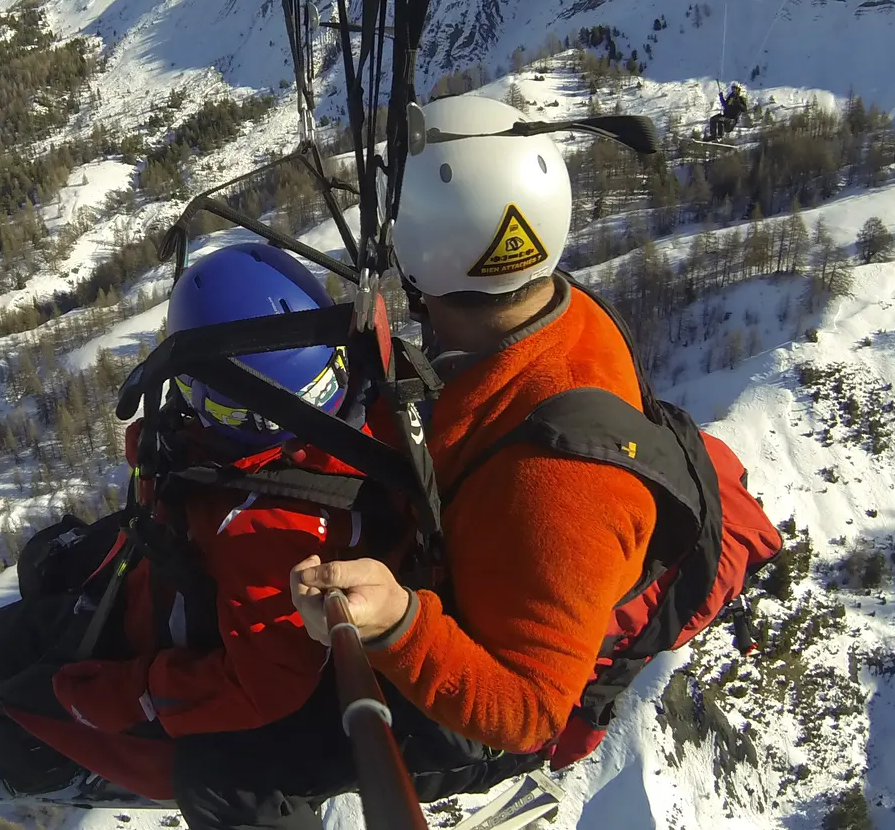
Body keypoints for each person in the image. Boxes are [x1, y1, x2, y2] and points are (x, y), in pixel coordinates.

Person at [291, 92, 776, 769]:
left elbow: (529, 712)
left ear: (419, 266)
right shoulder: (561, 308)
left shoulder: (554, 491)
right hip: (509, 542)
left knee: (233, 776)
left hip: (500, 694)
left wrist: (399, 624)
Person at [0, 242, 384, 811]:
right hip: (170, 567)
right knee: (45, 564)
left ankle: (36, 775)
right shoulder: (364, 405)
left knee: (2, 657)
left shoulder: (271, 535)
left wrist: (126, 698)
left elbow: (264, 683)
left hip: (168, 652)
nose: (293, 422)